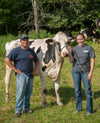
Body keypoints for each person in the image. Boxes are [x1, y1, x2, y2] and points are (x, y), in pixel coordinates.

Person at [5, 34, 39, 118]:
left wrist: (35, 70)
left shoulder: (31, 51)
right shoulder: (16, 51)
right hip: (21, 75)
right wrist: (15, 69)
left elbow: (37, 61)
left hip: (30, 75)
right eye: (23, 40)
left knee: (28, 93)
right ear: (20, 41)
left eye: (27, 40)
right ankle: (18, 111)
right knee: (20, 93)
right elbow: (7, 60)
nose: (25, 41)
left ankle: (27, 108)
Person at [68, 33, 95, 115]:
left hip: (85, 72)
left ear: (84, 39)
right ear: (76, 40)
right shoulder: (74, 49)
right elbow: (71, 61)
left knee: (88, 91)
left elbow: (92, 61)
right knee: (77, 91)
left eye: (81, 39)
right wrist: (69, 53)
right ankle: (78, 108)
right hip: (75, 71)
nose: (80, 40)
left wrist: (90, 73)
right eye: (78, 39)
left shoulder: (89, 48)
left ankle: (89, 110)